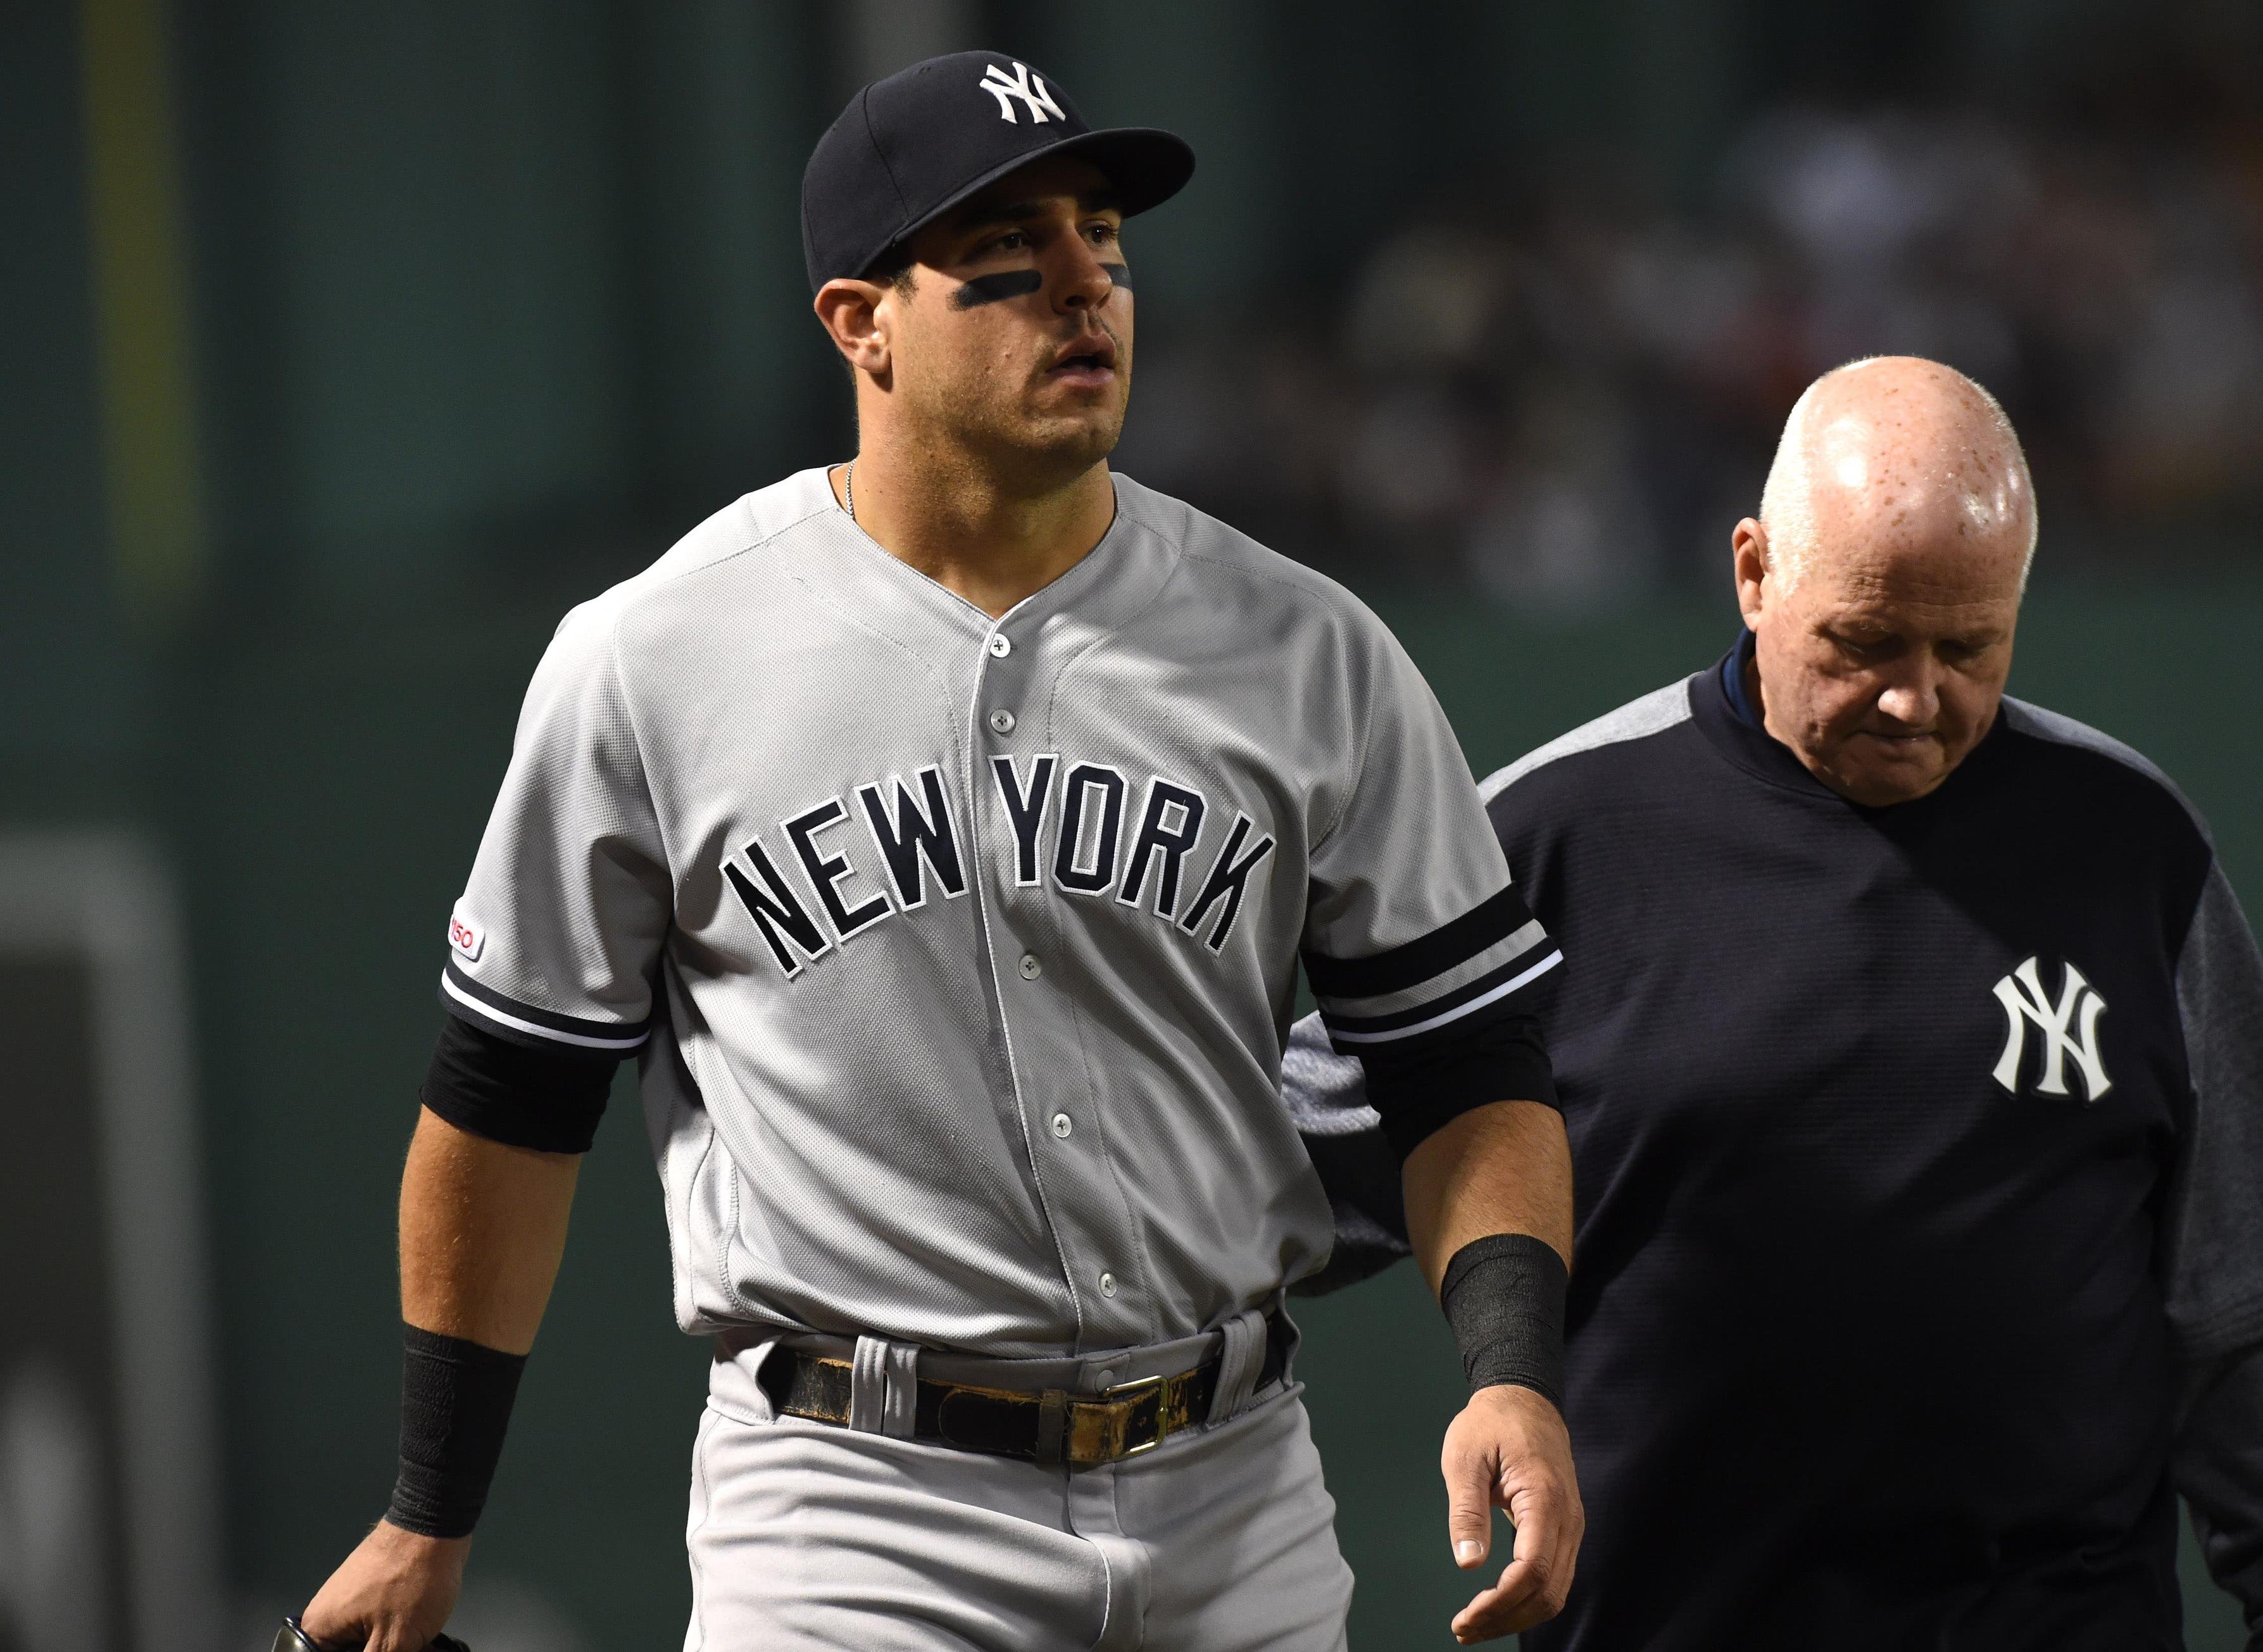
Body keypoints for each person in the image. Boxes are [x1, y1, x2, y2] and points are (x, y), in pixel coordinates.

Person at [295, 50, 1585, 1652]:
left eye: (1103, 242)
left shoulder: (1309, 650)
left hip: (1233, 1490)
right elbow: (507, 1100)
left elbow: (1468, 1065)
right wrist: (430, 1509)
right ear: (861, 322)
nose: (1083, 288)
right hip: (853, 1517)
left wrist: (1512, 1367)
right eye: (1008, 254)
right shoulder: (657, 658)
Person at [1288, 356, 2263, 1650]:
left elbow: (2257, 1303)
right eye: (1865, 642)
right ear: (1755, 572)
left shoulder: (2133, 848)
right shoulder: (1556, 836)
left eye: (1969, 648)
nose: (1917, 698)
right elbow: (1257, 1172)